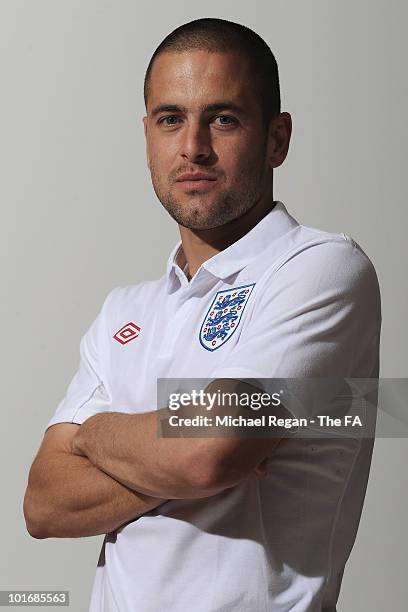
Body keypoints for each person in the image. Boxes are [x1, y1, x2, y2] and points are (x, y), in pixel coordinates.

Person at [23, 17, 381, 612]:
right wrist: (190, 449)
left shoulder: (322, 269)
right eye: (170, 119)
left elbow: (210, 450)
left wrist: (94, 435)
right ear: (146, 136)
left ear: (277, 138)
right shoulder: (124, 310)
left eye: (223, 118)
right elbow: (43, 504)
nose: (192, 146)